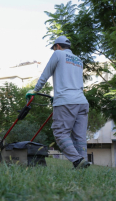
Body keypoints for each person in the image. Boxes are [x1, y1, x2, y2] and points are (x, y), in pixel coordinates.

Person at [26, 36, 90, 169]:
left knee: (60, 133)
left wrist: (35, 90)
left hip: (66, 101)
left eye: (54, 48)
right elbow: (75, 82)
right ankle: (84, 162)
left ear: (57, 46)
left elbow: (45, 74)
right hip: (82, 101)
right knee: (80, 136)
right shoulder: (78, 60)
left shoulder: (58, 54)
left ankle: (77, 160)